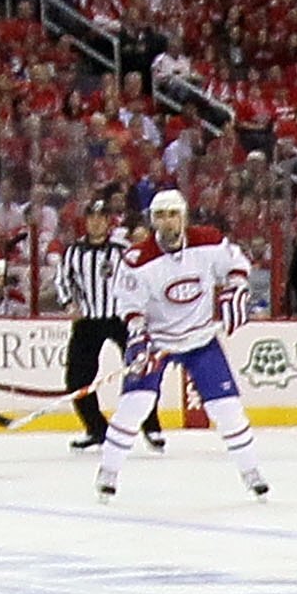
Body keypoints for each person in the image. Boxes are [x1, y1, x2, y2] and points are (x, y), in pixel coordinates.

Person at [92, 189, 261, 503]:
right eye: (160, 215)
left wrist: (237, 289)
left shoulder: (208, 241)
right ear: (152, 220)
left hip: (200, 339)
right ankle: (109, 472)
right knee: (136, 405)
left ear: (183, 216)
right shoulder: (137, 259)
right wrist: (139, 338)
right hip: (157, 341)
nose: (166, 222)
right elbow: (130, 307)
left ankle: (251, 473)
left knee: (227, 409)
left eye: (172, 214)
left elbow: (237, 266)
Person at [56, 195, 155, 451]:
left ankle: (151, 426)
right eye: (92, 218)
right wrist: (69, 303)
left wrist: (138, 308)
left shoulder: (122, 251)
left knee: (141, 368)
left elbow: (138, 278)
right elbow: (62, 280)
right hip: (88, 320)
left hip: (120, 319)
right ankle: (96, 429)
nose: (97, 223)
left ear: (109, 222)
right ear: (86, 221)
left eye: (102, 218)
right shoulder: (73, 252)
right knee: (77, 378)